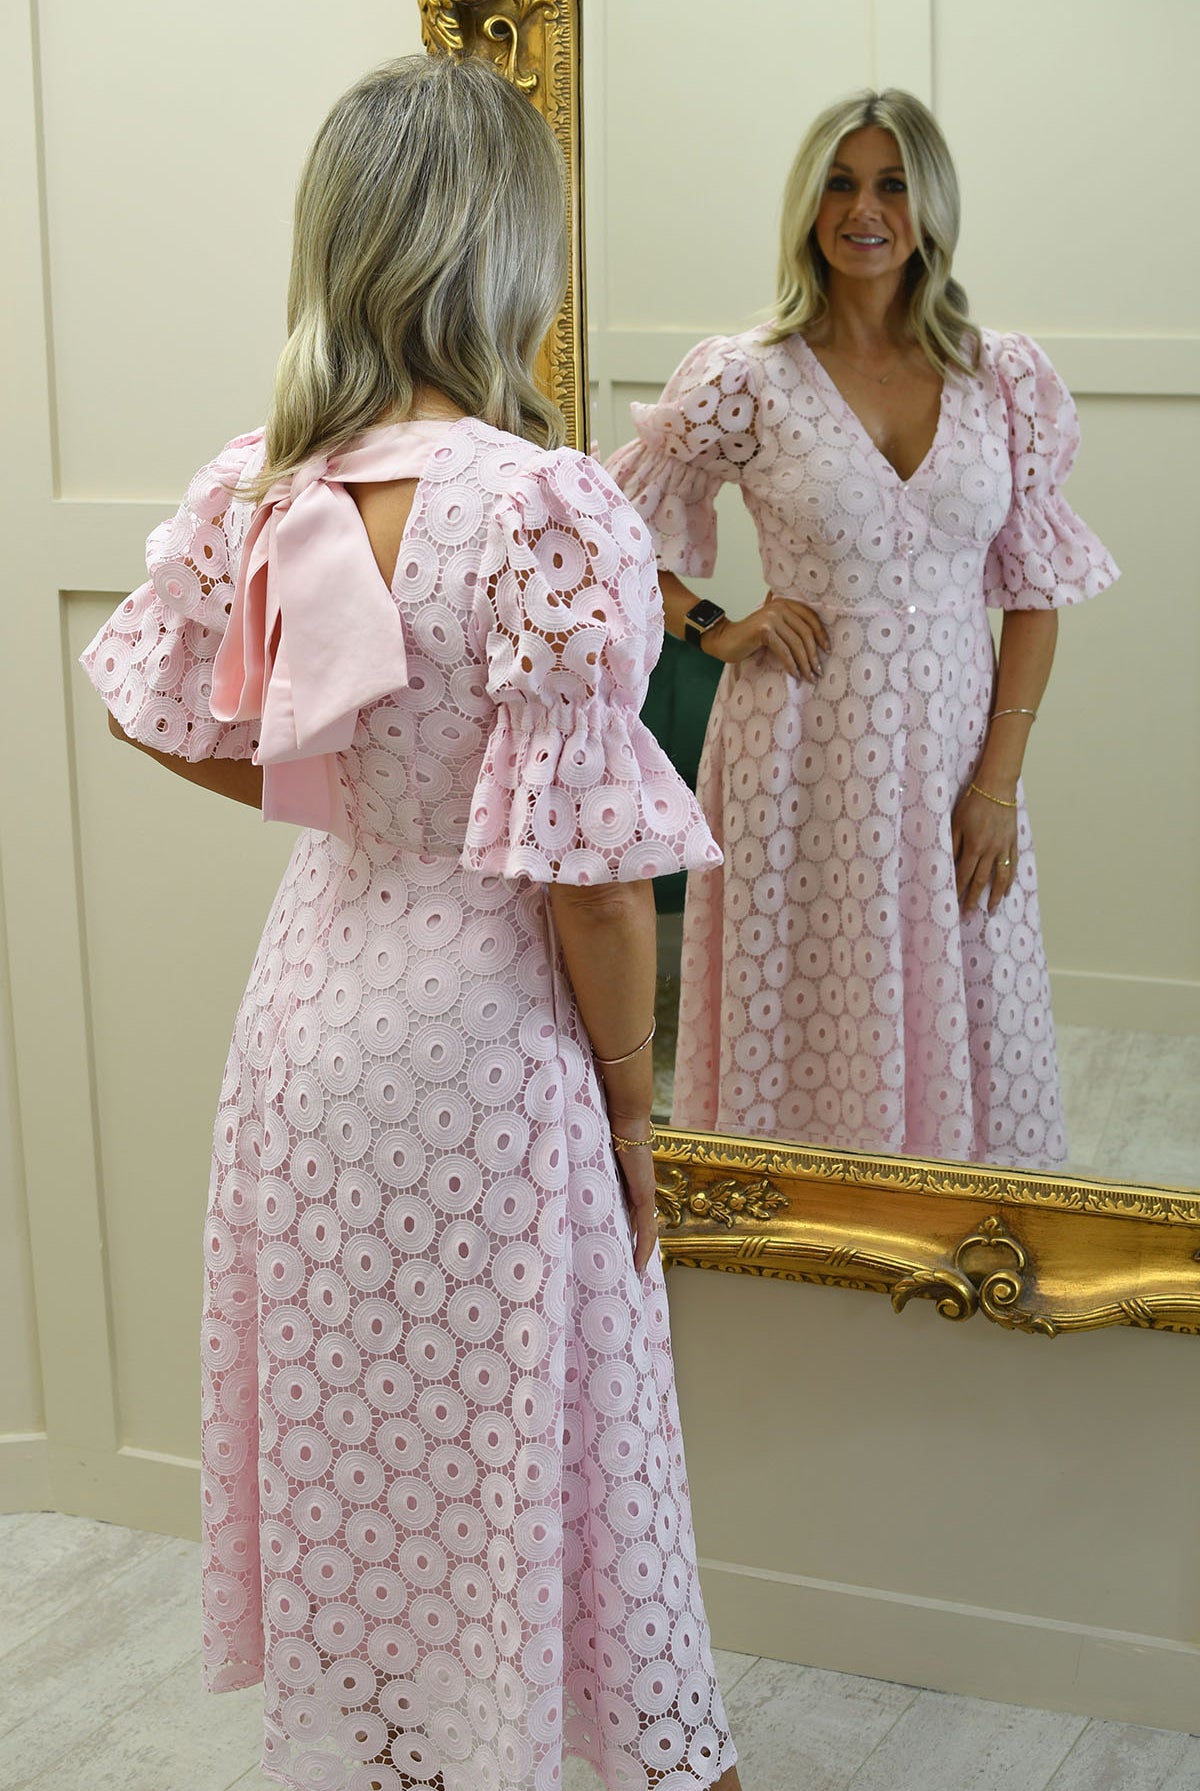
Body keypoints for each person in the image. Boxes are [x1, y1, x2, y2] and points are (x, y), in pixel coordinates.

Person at [81, 55, 739, 1791]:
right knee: (560, 1456)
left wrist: (356, 797)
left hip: (308, 1030)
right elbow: (595, 877)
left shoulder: (261, 486)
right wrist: (634, 1107)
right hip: (484, 1048)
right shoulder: (541, 505)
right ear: (505, 250)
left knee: (368, 1466)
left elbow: (152, 706)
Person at [608, 89, 1117, 1169]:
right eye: (839, 183)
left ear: (931, 206)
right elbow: (609, 533)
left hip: (955, 757)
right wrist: (716, 625)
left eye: (892, 184)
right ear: (808, 203)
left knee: (967, 980)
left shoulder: (1000, 378)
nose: (864, 209)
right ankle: (796, 1233)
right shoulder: (748, 375)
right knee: (807, 1002)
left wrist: (997, 783)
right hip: (796, 755)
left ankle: (954, 1224)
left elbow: (1036, 589)